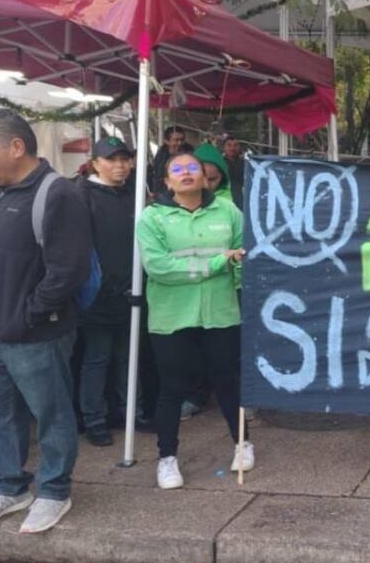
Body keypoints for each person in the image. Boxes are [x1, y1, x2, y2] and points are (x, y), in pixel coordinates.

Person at [0, 109, 93, 533]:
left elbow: (68, 271)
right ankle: (9, 487)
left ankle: (54, 490)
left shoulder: (57, 194)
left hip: (34, 333)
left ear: (16, 147)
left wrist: (28, 314)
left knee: (50, 411)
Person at [136, 152, 252, 489]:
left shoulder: (228, 211)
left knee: (228, 381)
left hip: (221, 312)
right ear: (166, 181)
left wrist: (240, 270)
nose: (186, 174)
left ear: (205, 176)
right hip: (172, 316)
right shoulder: (152, 218)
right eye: (178, 169)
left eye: (193, 168)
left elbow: (243, 254)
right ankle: (167, 457)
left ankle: (242, 443)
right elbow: (158, 268)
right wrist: (217, 264)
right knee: (171, 387)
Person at [76, 137, 137, 447]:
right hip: (96, 294)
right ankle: (94, 419)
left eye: (124, 159)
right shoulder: (81, 194)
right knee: (97, 358)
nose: (120, 165)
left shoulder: (134, 194)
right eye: (112, 159)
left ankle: (127, 412)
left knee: (127, 357)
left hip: (131, 291)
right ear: (95, 162)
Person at [148, 126, 192, 196]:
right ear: (166, 141)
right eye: (176, 140)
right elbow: (157, 176)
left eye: (182, 140)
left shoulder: (190, 152)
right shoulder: (161, 156)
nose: (179, 143)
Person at [222, 137, 244, 209]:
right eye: (229, 145)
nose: (232, 148)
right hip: (225, 199)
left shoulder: (246, 164)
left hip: (242, 199)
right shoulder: (219, 164)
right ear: (224, 148)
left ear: (240, 147)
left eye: (235, 145)